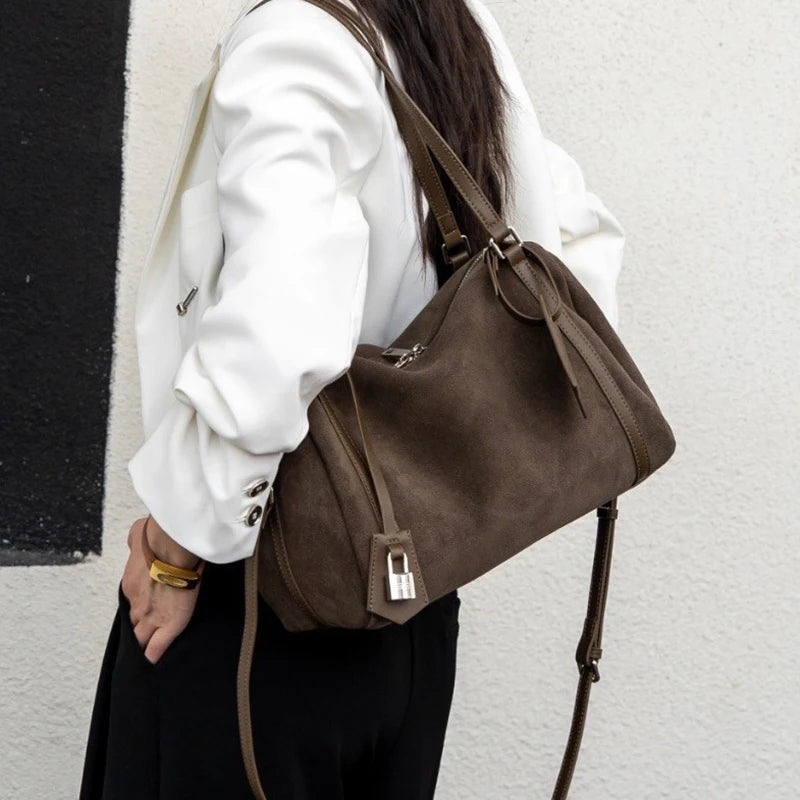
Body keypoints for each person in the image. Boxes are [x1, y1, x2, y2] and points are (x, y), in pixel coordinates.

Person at [79, 0, 624, 797]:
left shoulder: (295, 39)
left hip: (264, 604)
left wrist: (176, 544)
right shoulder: (451, 25)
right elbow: (574, 252)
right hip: (413, 611)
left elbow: (280, 320)